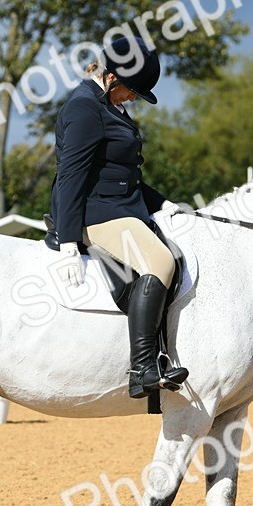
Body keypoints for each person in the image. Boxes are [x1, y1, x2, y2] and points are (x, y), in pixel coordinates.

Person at [48, 36, 188, 399]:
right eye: (131, 92)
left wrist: (163, 202)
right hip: (97, 214)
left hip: (125, 207)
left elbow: (123, 173)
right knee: (160, 261)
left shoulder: (109, 106)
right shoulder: (84, 108)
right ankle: (142, 368)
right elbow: (71, 177)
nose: (133, 99)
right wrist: (68, 242)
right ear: (111, 77)